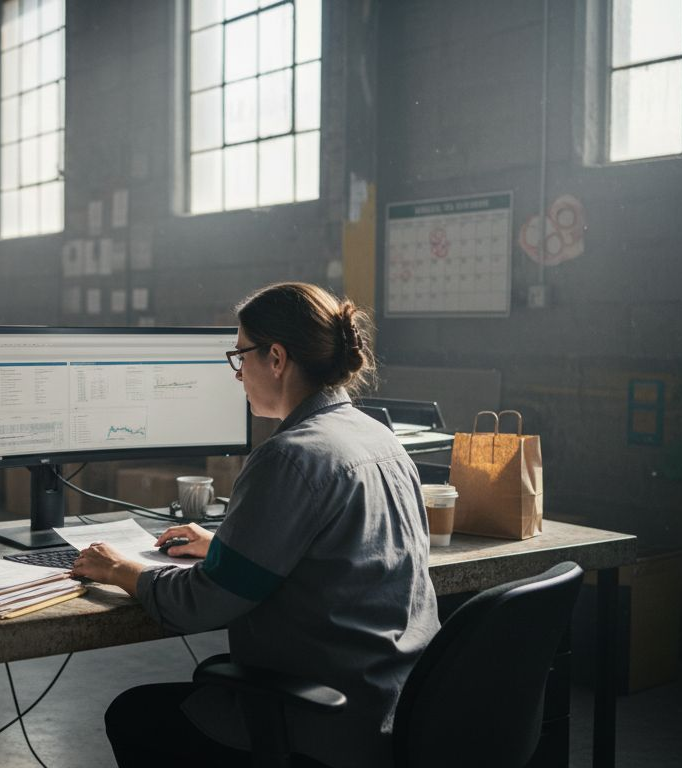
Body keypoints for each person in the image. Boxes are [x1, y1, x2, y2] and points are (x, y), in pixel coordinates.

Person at [71, 282, 440, 768]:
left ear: (277, 358)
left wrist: (120, 569)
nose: (237, 372)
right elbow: (331, 549)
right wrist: (225, 544)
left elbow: (201, 603)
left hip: (321, 724)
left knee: (133, 715)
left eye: (240, 355)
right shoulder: (379, 438)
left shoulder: (289, 457)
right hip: (398, 706)